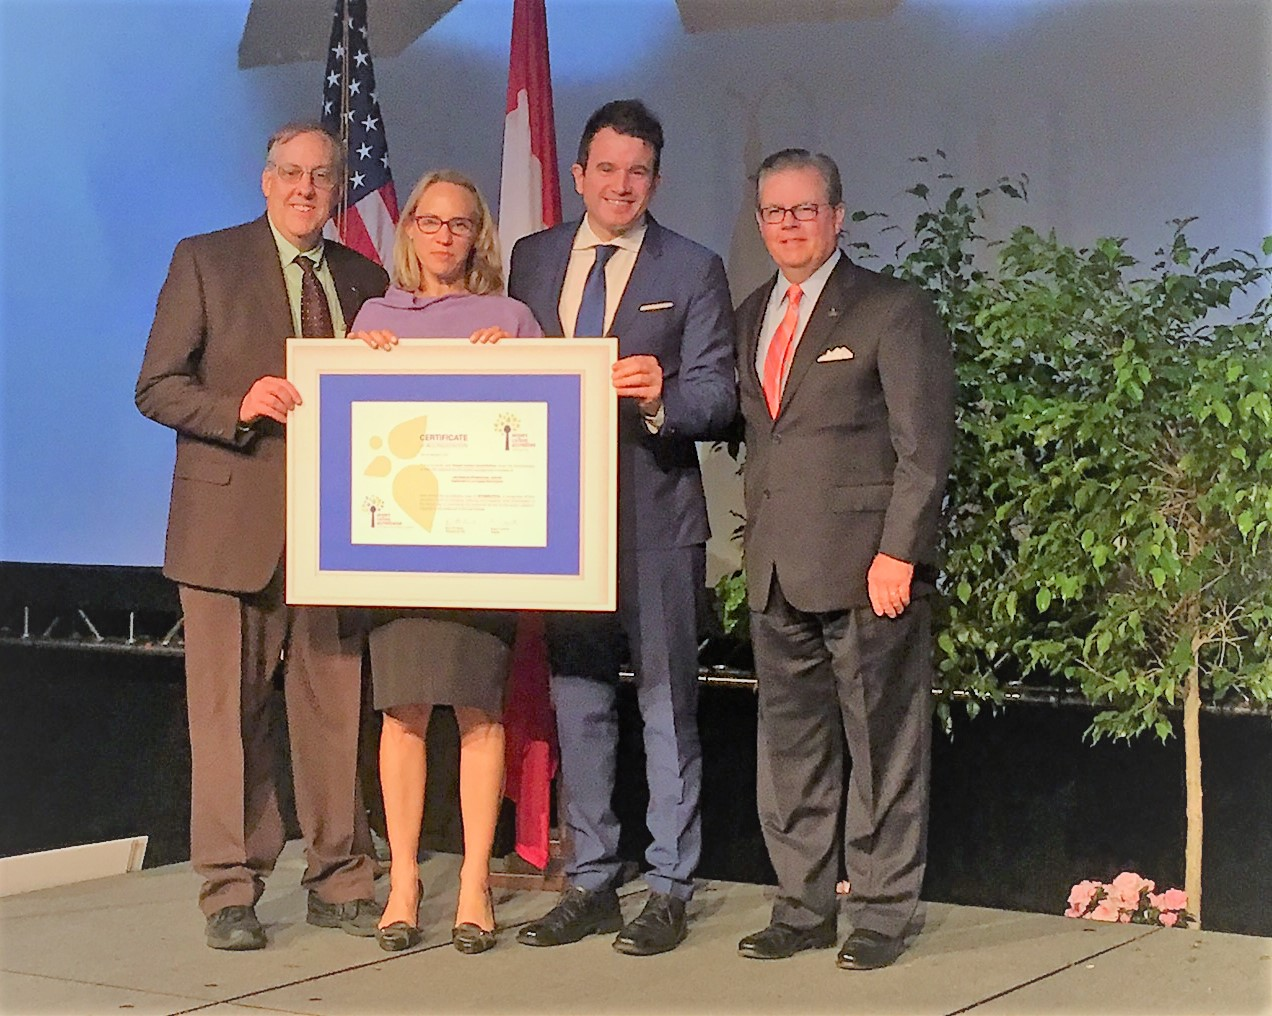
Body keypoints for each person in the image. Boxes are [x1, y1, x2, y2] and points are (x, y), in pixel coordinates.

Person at [135, 122, 388, 951]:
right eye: (291, 173)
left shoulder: (366, 277)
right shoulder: (205, 259)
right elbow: (157, 387)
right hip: (225, 530)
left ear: (338, 188)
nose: (306, 189)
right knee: (225, 719)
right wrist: (237, 407)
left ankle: (341, 877)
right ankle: (229, 889)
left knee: (334, 715)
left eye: (321, 176)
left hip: (335, 534)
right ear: (265, 179)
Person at [506, 99, 737, 956]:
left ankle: (670, 887)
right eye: (605, 169)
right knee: (578, 701)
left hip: (656, 519)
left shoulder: (695, 265)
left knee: (666, 704)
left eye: (637, 171)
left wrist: (659, 397)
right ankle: (592, 880)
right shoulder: (532, 259)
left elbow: (718, 396)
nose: (620, 185)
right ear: (578, 175)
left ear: (656, 180)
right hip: (557, 525)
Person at [733, 149, 955, 970]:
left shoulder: (892, 309)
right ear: (759, 222)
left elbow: (924, 449)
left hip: (870, 573)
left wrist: (900, 551)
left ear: (836, 215)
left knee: (884, 749)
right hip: (776, 570)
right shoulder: (752, 309)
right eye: (774, 213)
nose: (788, 226)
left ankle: (883, 913)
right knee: (790, 752)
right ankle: (801, 907)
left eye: (804, 210)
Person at [346, 170, 542, 954]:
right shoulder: (372, 317)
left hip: (482, 555)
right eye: (430, 222)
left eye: (460, 224)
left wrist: (517, 367)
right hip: (396, 553)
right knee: (402, 715)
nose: (444, 236)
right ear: (410, 232)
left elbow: (546, 435)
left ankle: (473, 885)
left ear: (479, 236)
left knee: (478, 713)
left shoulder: (512, 317)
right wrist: (357, 365)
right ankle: (402, 882)